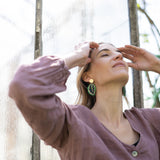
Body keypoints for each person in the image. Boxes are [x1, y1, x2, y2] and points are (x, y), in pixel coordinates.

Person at [9, 42, 160, 160]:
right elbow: (24, 83)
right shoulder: (70, 121)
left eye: (120, 54)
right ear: (87, 76)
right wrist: (76, 56)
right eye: (105, 54)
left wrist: (157, 65)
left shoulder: (150, 120)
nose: (118, 56)